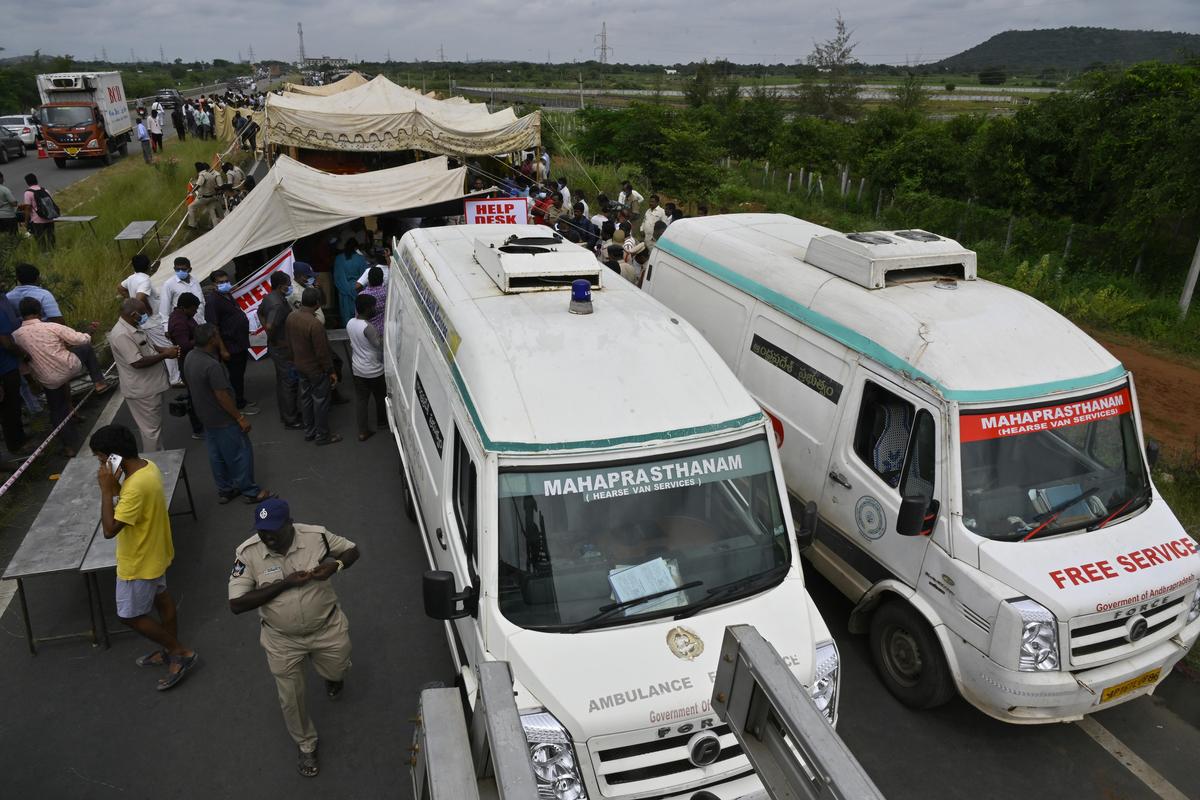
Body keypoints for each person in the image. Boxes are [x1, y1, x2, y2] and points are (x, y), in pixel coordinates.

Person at [228, 498, 359, 778]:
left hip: (327, 628)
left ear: (290, 524)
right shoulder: (247, 553)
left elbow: (352, 550)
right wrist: (284, 583)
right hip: (281, 640)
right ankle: (306, 743)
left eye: (273, 530)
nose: (267, 537)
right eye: (262, 531)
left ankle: (333, 676)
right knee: (291, 698)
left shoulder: (317, 536)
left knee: (338, 667)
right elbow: (236, 604)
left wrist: (335, 565)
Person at [91, 423, 198, 690]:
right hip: (156, 550)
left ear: (114, 456)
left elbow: (109, 529)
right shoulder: (145, 467)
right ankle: (168, 650)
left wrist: (106, 491)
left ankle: (179, 651)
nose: (101, 466)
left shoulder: (135, 487)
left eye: (102, 460)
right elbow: (129, 505)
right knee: (162, 597)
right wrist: (115, 485)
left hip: (137, 560)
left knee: (129, 616)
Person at [185, 323, 273, 504]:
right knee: (240, 453)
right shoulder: (212, 366)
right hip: (223, 418)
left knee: (216, 455)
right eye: (217, 336)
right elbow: (222, 395)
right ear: (212, 340)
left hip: (205, 416)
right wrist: (239, 418)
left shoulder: (191, 357)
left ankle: (225, 489)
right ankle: (250, 491)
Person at [12, 298, 110, 455]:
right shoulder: (50, 326)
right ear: (39, 311)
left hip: (48, 379)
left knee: (57, 410)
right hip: (70, 366)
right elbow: (81, 339)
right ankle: (99, 382)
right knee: (85, 348)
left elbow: (23, 365)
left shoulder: (15, 336)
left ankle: (69, 446)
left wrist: (31, 382)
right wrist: (89, 332)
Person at [109, 298, 177, 452]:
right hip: (143, 390)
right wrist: (165, 356)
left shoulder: (134, 326)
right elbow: (137, 362)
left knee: (154, 428)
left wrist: (165, 350)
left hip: (150, 386)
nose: (145, 316)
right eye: (144, 314)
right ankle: (154, 463)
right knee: (151, 431)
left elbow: (149, 347)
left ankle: (158, 456)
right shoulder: (121, 334)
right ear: (134, 314)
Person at [285, 288, 341, 446]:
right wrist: (331, 372)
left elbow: (289, 343)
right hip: (316, 370)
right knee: (321, 401)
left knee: (306, 399)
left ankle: (309, 431)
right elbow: (322, 353)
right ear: (317, 303)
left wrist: (293, 360)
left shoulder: (291, 316)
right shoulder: (315, 324)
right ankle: (322, 435)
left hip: (300, 366)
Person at [120, 254, 181, 384]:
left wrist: (128, 299)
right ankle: (175, 378)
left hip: (144, 321)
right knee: (167, 347)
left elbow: (120, 287)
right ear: (149, 265)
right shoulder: (145, 280)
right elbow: (140, 298)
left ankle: (167, 375)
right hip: (153, 321)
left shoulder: (132, 278)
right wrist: (147, 309)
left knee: (155, 348)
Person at [205, 268, 258, 414]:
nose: (225, 284)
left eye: (227, 281)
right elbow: (213, 327)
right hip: (229, 345)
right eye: (221, 282)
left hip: (239, 342)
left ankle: (240, 398)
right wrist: (222, 349)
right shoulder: (213, 301)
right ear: (214, 285)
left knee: (239, 373)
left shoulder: (227, 295)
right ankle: (238, 405)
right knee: (234, 375)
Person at [259, 272, 302, 429]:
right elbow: (270, 326)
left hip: (278, 347)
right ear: (280, 286)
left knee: (283, 382)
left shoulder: (269, 297)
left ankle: (287, 414)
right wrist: (276, 340)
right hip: (282, 350)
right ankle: (291, 419)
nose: (290, 287)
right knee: (289, 382)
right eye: (288, 284)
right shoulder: (277, 304)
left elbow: (260, 312)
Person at [166, 293, 205, 440]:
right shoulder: (179, 322)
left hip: (192, 360)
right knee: (195, 397)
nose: (195, 312)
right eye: (193, 309)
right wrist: (201, 337)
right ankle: (198, 428)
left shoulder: (184, 316)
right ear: (184, 308)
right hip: (188, 362)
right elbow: (185, 344)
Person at [346, 294, 385, 442]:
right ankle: (382, 422)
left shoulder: (350, 323)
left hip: (358, 369)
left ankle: (362, 431)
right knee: (380, 398)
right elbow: (379, 345)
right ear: (368, 309)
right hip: (374, 370)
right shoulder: (368, 327)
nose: (375, 309)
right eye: (374, 307)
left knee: (362, 400)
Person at [0, 294, 27, 457]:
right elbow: (7, 342)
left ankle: (18, 439)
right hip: (5, 369)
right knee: (10, 407)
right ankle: (17, 445)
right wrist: (24, 354)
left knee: (10, 408)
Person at [332, 240, 367, 328]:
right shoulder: (361, 258)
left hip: (343, 290)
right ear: (356, 248)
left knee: (346, 315)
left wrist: (347, 289)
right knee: (358, 314)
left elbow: (338, 277)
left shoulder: (339, 258)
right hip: (357, 289)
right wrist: (354, 288)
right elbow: (364, 276)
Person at [22, 174, 57, 250]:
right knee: (51, 238)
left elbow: (28, 208)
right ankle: (53, 252)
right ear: (36, 180)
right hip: (49, 218)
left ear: (27, 182)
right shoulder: (45, 190)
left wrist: (26, 221)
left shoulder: (28, 193)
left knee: (40, 240)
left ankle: (45, 255)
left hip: (37, 220)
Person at [187, 162, 222, 229]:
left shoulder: (202, 175)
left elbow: (198, 185)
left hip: (204, 198)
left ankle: (192, 224)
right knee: (212, 214)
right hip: (212, 197)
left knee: (191, 207)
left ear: (197, 169)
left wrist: (191, 192)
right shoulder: (209, 174)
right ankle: (217, 228)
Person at [359, 267, 386, 337]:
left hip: (365, 331)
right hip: (382, 332)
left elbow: (358, 316)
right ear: (382, 280)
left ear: (368, 279)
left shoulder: (362, 295)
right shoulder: (387, 293)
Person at [0, 171, 20, 236]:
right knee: (13, 236)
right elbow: (14, 203)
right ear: (1, 178)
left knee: (3, 237)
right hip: (8, 216)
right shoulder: (5, 189)